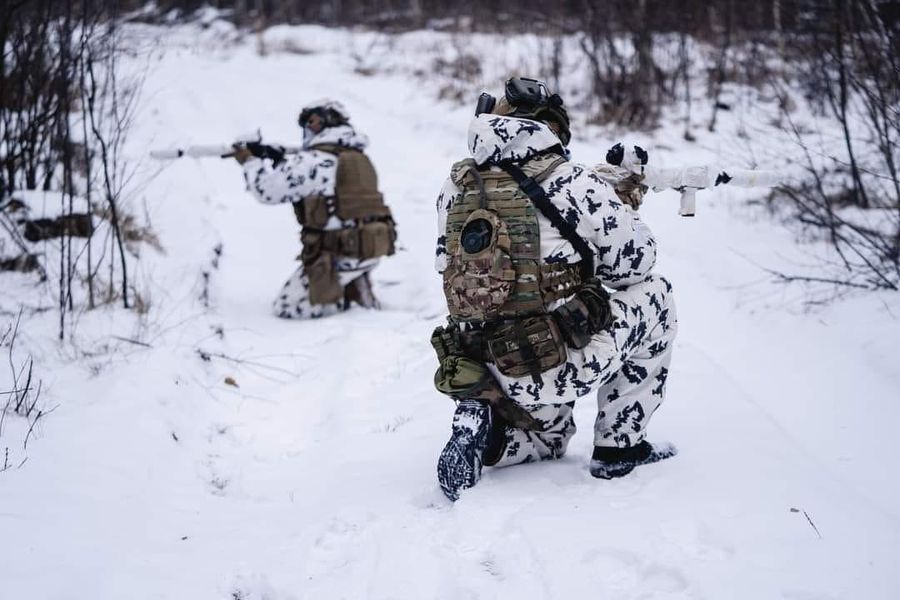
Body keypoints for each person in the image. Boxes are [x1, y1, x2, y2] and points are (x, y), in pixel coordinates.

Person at [431, 77, 678, 501]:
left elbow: (444, 264)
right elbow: (634, 265)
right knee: (657, 294)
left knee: (551, 439)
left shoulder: (458, 185)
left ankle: (490, 433)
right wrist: (621, 206)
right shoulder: (577, 183)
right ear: (552, 128)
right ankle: (620, 446)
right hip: (551, 358)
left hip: (484, 366)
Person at [234, 99, 396, 319]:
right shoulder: (357, 157)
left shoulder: (314, 160)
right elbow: (313, 187)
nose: (307, 128)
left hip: (336, 255)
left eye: (310, 122)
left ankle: (343, 304)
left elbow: (268, 191)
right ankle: (354, 285)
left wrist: (250, 161)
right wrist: (281, 162)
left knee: (287, 307)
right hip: (369, 247)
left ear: (323, 122)